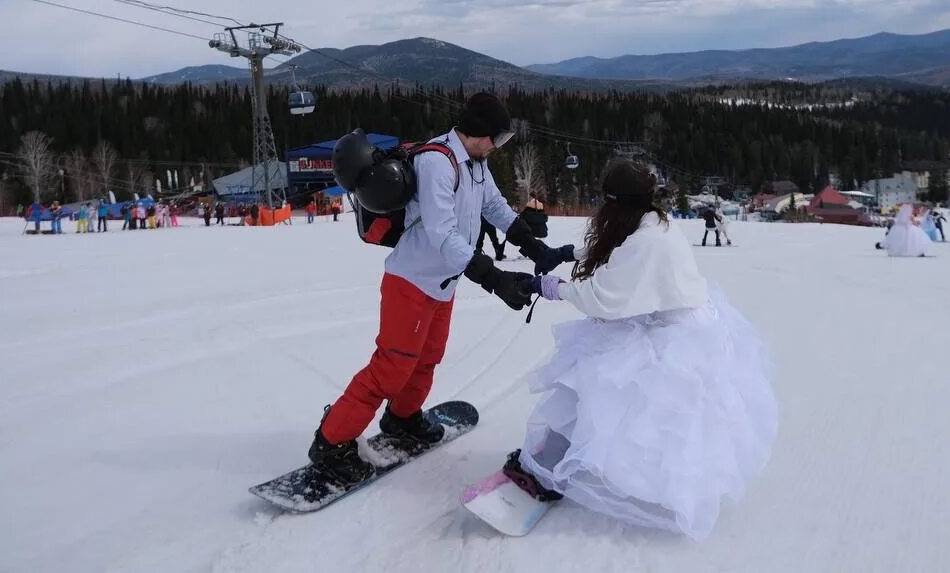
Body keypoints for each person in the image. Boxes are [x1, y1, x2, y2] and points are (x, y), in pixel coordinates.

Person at [502, 160, 778, 541]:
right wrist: (570, 252)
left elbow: (602, 299)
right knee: (599, 385)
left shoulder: (648, 240)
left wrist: (552, 287)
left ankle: (546, 472)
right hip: (683, 323)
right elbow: (621, 248)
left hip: (676, 336)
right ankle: (555, 459)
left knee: (590, 382)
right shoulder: (654, 222)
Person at [307, 93, 575, 483]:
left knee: (427, 358)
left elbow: (494, 206)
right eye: (496, 140)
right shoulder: (437, 161)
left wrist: (534, 246)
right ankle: (331, 444)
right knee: (390, 368)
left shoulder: (476, 164)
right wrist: (494, 278)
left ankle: (402, 418)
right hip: (411, 281)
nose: (496, 148)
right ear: (478, 132)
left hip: (442, 283)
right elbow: (442, 235)